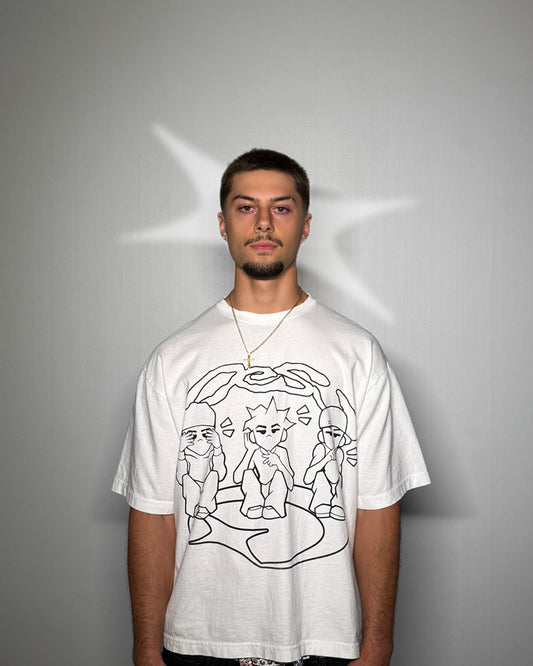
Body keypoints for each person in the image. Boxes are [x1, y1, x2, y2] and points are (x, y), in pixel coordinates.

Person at [112, 149, 430, 666]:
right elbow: (152, 514)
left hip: (324, 640)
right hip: (199, 641)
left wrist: (377, 644)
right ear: (223, 224)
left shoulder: (358, 354)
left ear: (305, 225)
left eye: (281, 208)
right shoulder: (172, 360)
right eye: (245, 207)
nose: (263, 222)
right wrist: (147, 649)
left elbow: (378, 507)